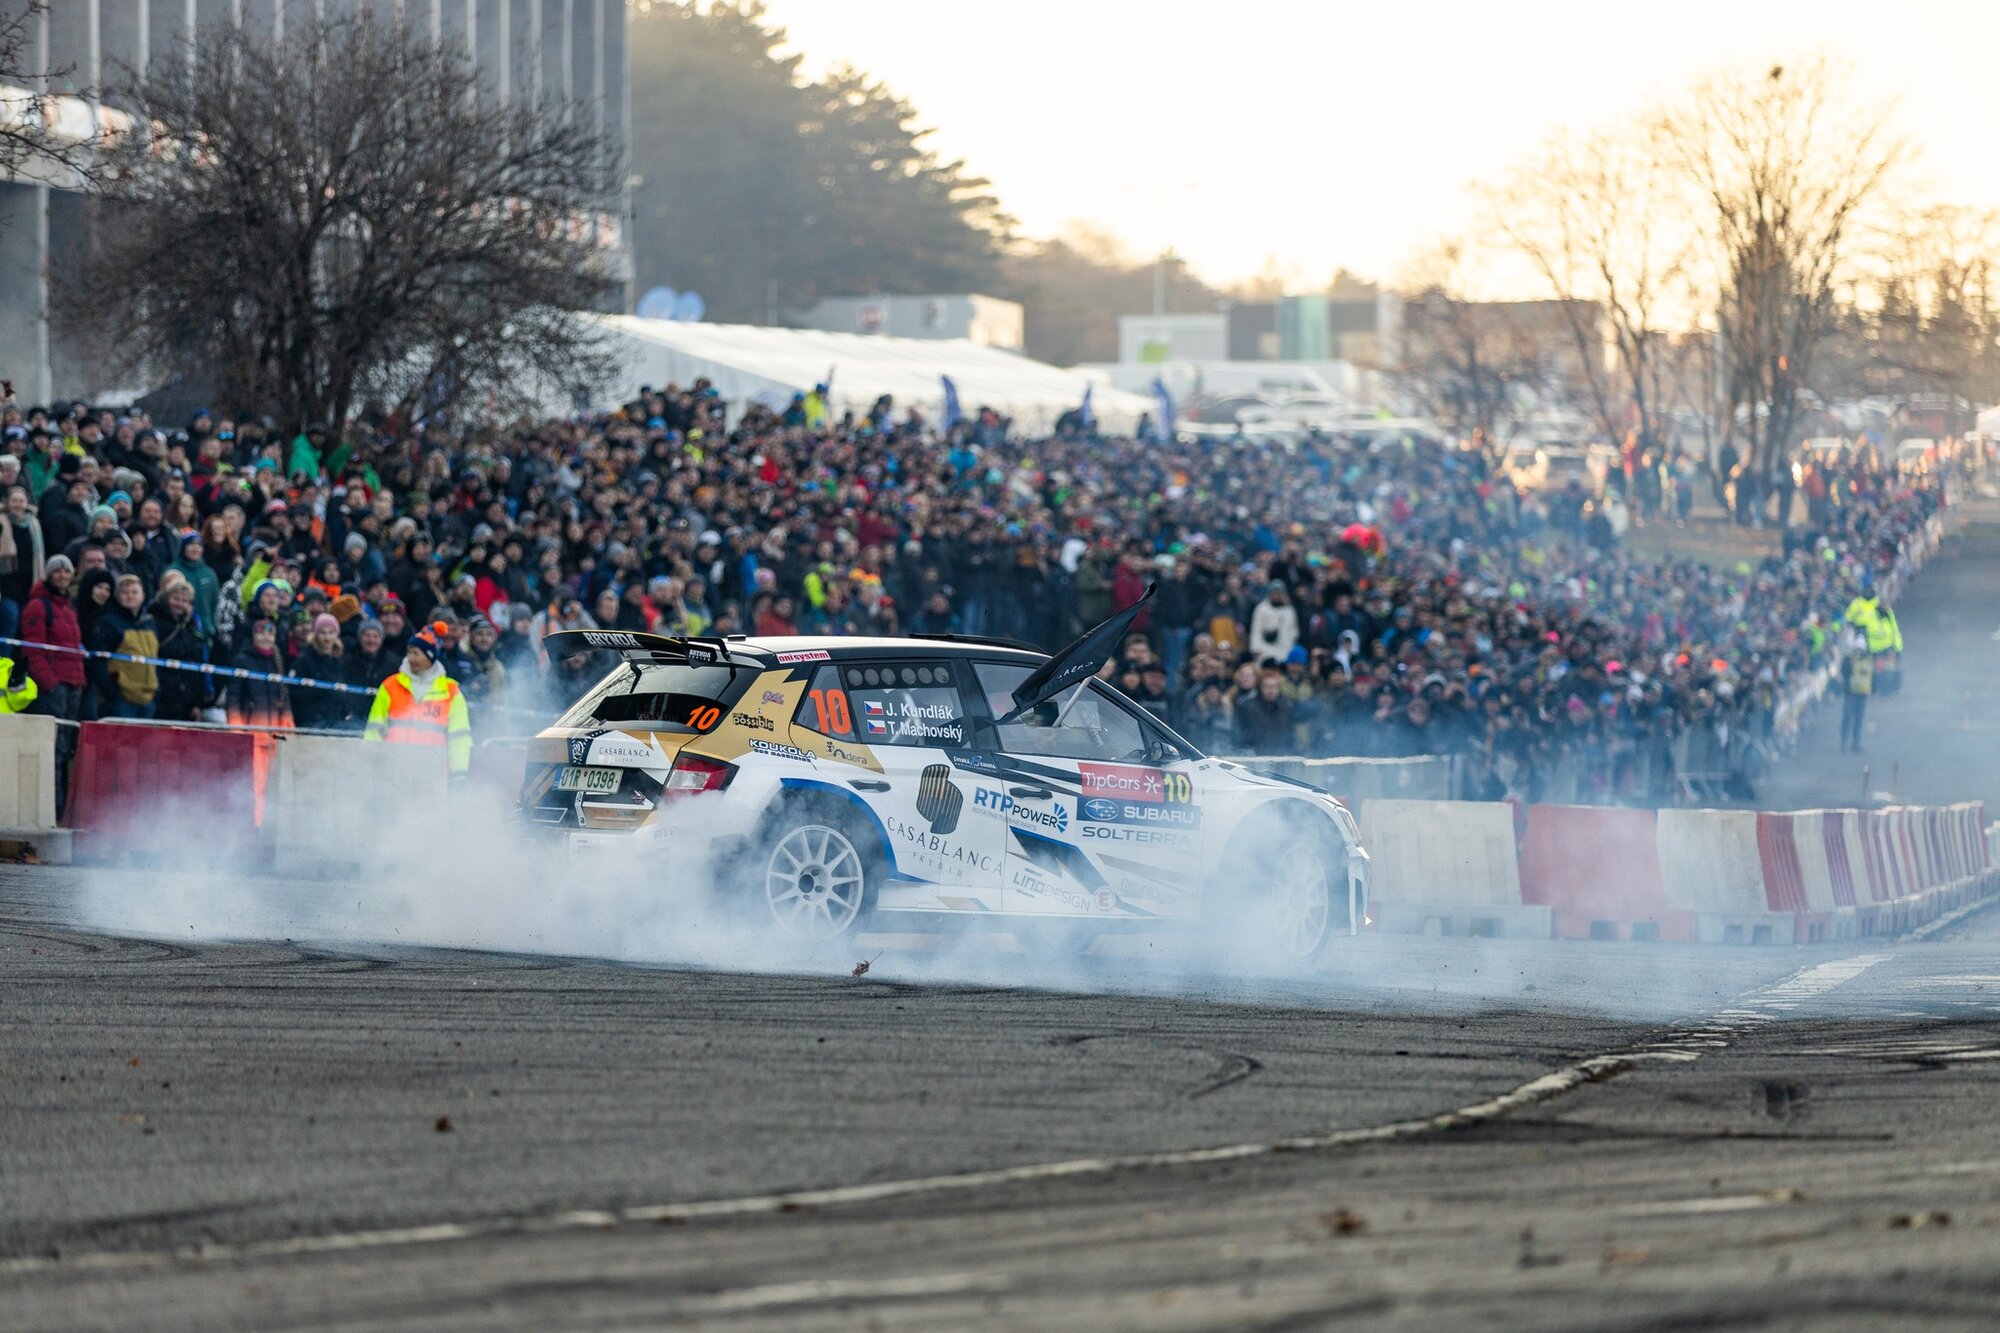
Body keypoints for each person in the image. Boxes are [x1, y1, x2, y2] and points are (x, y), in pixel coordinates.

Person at [363, 622, 472, 778]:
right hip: (393, 770)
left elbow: (459, 738)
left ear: (430, 656)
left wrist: (459, 774)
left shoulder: (451, 691)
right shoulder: (390, 685)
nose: (410, 658)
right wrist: (369, 765)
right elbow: (374, 731)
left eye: (416, 653)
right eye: (409, 652)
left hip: (433, 773)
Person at [1840, 633, 1872, 754]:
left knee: (1858, 721)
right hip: (1850, 693)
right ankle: (1843, 743)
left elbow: (1870, 676)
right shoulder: (1848, 660)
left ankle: (1855, 744)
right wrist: (1850, 665)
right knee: (1847, 719)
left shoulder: (1868, 660)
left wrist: (1872, 693)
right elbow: (1844, 673)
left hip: (1863, 694)